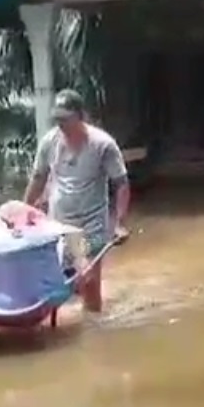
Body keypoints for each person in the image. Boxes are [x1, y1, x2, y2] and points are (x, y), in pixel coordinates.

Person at [23, 89, 130, 313]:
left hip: (91, 224)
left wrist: (119, 222)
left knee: (89, 281)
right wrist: (24, 212)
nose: (60, 124)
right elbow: (38, 178)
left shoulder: (103, 145)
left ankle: (94, 331)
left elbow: (121, 184)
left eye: (66, 119)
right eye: (57, 119)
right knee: (63, 282)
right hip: (60, 225)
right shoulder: (49, 142)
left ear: (81, 116)